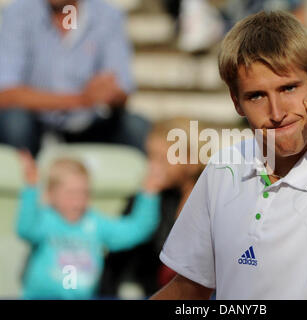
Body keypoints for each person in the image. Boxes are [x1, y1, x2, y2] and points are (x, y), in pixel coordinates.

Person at [150, 11, 307, 300]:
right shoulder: (222, 168)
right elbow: (189, 290)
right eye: (256, 96)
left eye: (288, 88)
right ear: (236, 102)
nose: (277, 113)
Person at [0, 0, 149, 157]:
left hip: (90, 123)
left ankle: (146, 181)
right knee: (14, 122)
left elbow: (122, 89)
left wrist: (108, 92)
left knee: (136, 127)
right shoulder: (18, 13)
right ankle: (23, 179)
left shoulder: (108, 16)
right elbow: (6, 93)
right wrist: (82, 99)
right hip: (36, 122)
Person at [16, 151, 160, 299]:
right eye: (71, 194)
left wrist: (149, 194)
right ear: (51, 195)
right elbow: (25, 229)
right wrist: (31, 188)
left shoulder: (94, 223)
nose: (78, 201)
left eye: (84, 193)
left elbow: (136, 231)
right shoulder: (45, 220)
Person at [99, 118, 209, 298]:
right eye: (150, 157)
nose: (152, 166)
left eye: (162, 159)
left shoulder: (210, 197)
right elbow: (121, 251)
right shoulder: (147, 197)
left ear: (192, 160)